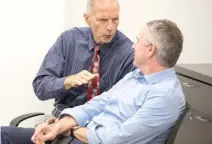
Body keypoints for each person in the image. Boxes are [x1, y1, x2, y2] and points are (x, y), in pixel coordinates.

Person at [1, 19, 185, 144]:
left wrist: (73, 131)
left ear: (150, 49)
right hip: (78, 132)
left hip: (85, 138)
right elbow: (99, 103)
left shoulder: (165, 96)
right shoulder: (136, 76)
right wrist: (59, 126)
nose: (133, 45)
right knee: (3, 134)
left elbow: (117, 138)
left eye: (138, 41)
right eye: (102, 19)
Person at [32, 0, 134, 117]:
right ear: (87, 19)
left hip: (100, 125)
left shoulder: (129, 53)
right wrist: (67, 82)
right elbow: (40, 87)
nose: (110, 27)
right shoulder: (68, 39)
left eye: (115, 19)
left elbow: (126, 106)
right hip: (61, 117)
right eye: (103, 20)